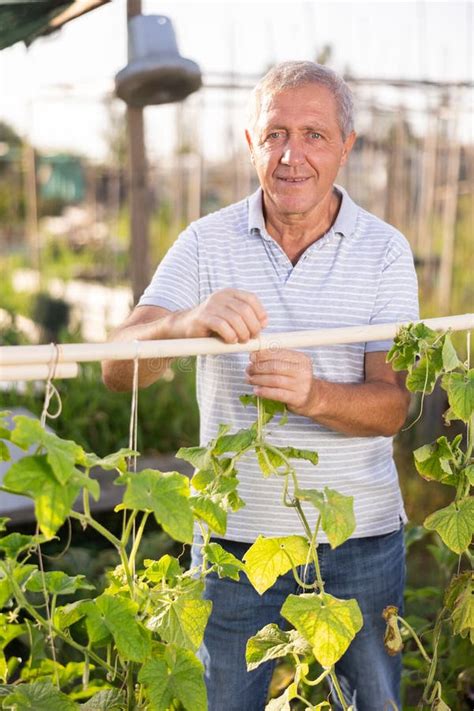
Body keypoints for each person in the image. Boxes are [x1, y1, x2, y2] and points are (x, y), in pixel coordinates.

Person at [102, 61, 419, 711]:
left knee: (377, 702)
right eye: (275, 133)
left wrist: (314, 394)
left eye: (313, 134)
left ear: (346, 146)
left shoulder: (385, 251)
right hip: (230, 546)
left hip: (358, 540)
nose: (291, 155)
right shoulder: (206, 243)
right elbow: (114, 369)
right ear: (250, 142)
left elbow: (393, 406)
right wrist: (185, 324)